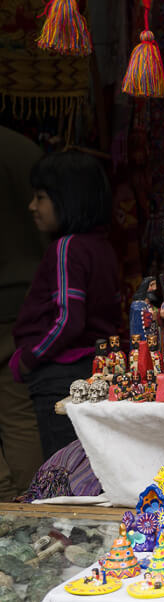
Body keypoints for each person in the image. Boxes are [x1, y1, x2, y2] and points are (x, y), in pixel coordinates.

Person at [9, 152, 120, 458]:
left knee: (63, 463)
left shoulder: (66, 248)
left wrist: (29, 358)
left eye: (40, 197)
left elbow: (69, 318)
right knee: (88, 461)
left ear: (68, 199)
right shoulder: (102, 247)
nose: (32, 206)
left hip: (59, 373)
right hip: (93, 367)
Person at [0, 127, 45, 499]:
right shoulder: (24, 149)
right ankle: (29, 508)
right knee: (18, 415)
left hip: (18, 299)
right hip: (25, 299)